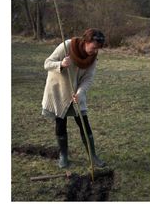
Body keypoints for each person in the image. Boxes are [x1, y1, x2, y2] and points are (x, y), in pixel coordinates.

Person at [42, 28, 107, 169]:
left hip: (76, 94)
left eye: (98, 49)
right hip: (58, 91)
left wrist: (80, 93)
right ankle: (63, 156)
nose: (95, 51)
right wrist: (60, 64)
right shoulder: (66, 46)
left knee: (84, 123)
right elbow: (47, 63)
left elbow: (88, 79)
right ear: (86, 41)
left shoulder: (92, 59)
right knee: (60, 122)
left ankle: (93, 156)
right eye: (94, 47)